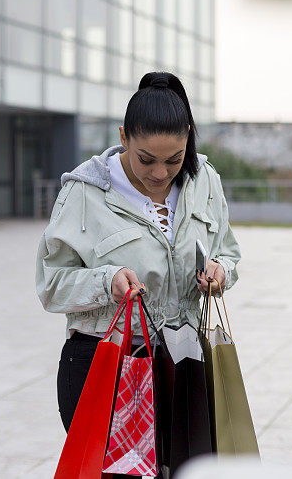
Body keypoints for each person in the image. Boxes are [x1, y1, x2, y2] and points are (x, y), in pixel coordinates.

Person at [35, 72, 241, 473]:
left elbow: (229, 254)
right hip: (107, 366)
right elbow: (50, 286)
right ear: (124, 137)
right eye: (146, 159)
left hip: (183, 366)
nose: (160, 174)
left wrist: (220, 273)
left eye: (174, 159)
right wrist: (105, 282)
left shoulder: (205, 182)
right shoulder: (85, 193)